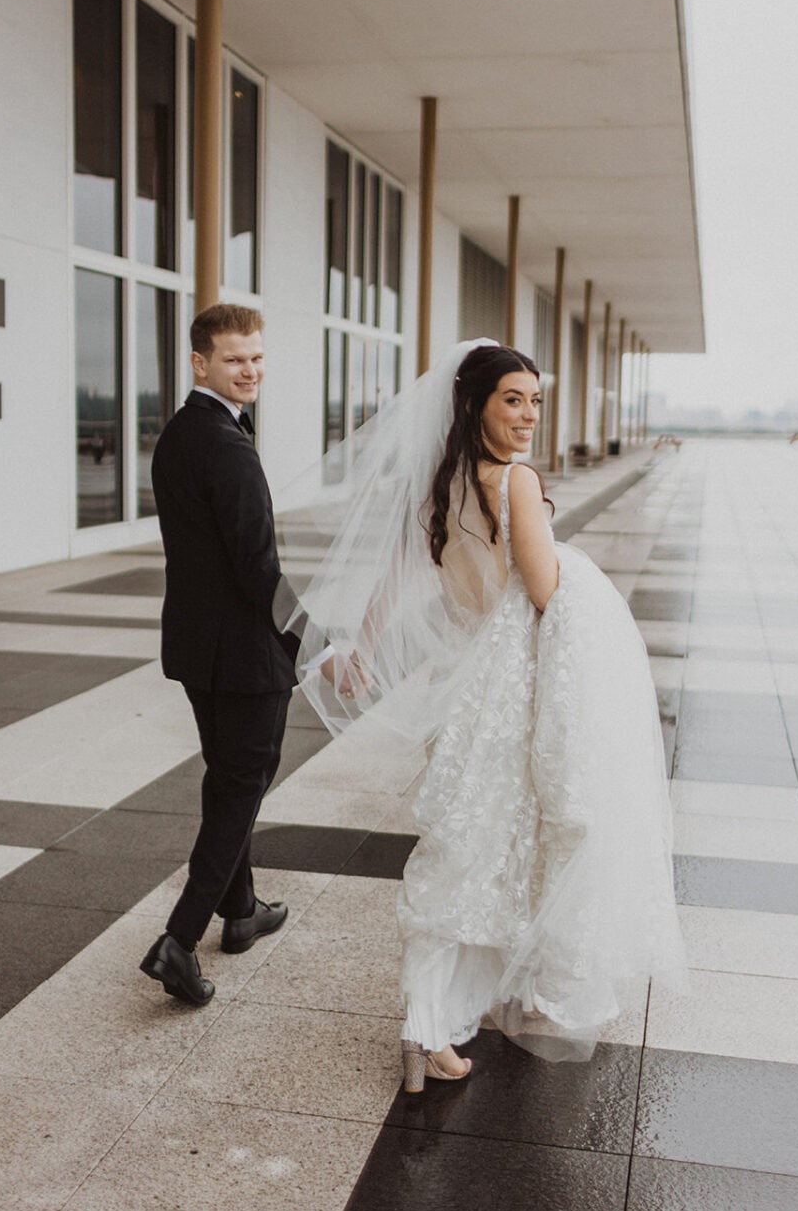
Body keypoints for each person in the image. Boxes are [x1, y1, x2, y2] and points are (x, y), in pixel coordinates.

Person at [293, 341, 687, 1089]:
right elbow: (544, 590)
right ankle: (454, 1014)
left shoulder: (438, 490)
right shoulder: (515, 484)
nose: (528, 415)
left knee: (463, 851)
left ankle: (428, 1027)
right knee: (514, 844)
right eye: (513, 399)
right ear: (475, 404)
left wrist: (361, 648)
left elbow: (391, 580)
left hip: (468, 686)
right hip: (516, 694)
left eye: (535, 401)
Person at [140, 303, 337, 1006]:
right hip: (245, 657)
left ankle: (242, 911)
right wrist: (315, 641)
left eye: (256, 357)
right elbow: (259, 570)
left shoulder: (178, 436)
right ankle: (178, 940)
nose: (250, 370)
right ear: (201, 363)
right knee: (240, 788)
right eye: (234, 359)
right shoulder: (225, 447)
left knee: (230, 778)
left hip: (199, 649)